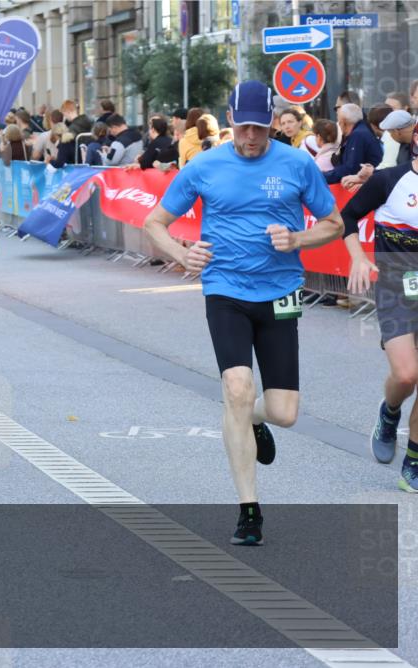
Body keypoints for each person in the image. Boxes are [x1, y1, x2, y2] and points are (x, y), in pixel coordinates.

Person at [143, 81, 344, 546]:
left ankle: (255, 419)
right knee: (236, 387)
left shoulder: (296, 163)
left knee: (284, 412)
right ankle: (248, 510)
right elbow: (155, 222)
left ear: (273, 121)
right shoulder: (206, 164)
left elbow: (333, 223)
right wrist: (181, 252)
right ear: (230, 120)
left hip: (279, 293)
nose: (251, 136)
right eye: (242, 126)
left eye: (259, 127)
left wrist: (296, 240)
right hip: (225, 289)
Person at [341, 157, 417, 492]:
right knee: (406, 375)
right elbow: (348, 216)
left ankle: (413, 462)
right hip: (396, 286)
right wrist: (358, 256)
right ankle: (390, 411)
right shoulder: (389, 180)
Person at [325, 103, 383, 184]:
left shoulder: (358, 135)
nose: (339, 125)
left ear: (344, 122)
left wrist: (323, 176)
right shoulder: (362, 131)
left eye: (339, 121)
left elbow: (350, 169)